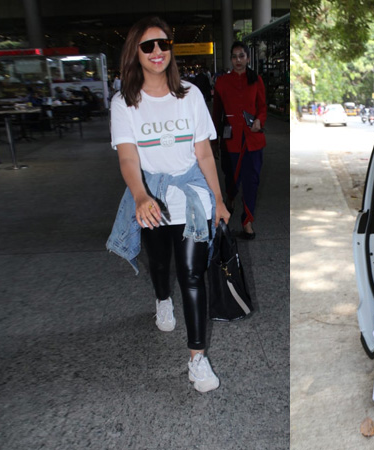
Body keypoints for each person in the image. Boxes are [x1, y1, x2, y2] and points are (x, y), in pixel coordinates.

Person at [106, 16, 230, 393]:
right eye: (148, 46)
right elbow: (128, 158)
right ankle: (162, 299)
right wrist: (141, 195)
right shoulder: (125, 102)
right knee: (160, 263)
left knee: (192, 275)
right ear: (136, 53)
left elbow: (204, 153)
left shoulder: (189, 95)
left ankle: (197, 359)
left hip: (192, 198)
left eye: (164, 44)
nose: (157, 51)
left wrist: (219, 200)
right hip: (152, 200)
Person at [212, 41, 267, 239]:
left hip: (252, 140)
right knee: (231, 177)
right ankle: (231, 197)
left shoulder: (256, 80)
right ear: (231, 59)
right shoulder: (222, 82)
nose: (238, 60)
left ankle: (247, 221)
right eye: (234, 57)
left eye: (241, 56)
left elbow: (262, 107)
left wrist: (259, 120)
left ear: (248, 58)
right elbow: (216, 113)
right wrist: (214, 140)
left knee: (251, 181)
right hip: (230, 140)